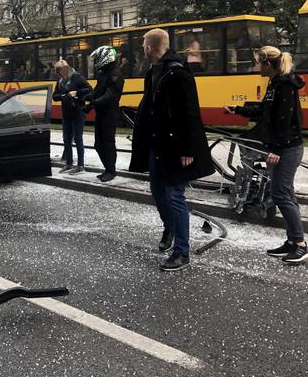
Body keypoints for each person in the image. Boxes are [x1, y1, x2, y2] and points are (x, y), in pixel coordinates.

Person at [129, 29, 215, 271]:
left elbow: (189, 113)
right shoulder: (153, 72)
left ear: (150, 48)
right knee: (158, 191)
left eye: (144, 46)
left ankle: (182, 251)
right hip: (157, 144)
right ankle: (171, 227)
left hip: (175, 147)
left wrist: (187, 149)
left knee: (175, 195)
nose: (143, 50)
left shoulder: (178, 73)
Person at [226, 46, 308, 265]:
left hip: (288, 148)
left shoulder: (284, 86)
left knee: (280, 193)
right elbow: (265, 111)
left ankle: (300, 244)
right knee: (284, 192)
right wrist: (238, 109)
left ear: (268, 64)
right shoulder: (275, 84)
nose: (256, 67)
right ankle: (292, 240)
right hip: (282, 146)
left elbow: (284, 120)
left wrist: (277, 150)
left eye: (258, 63)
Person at [86, 46, 124, 182]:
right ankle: (107, 168)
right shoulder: (103, 73)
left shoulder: (115, 75)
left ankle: (111, 170)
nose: (96, 61)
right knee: (98, 144)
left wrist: (93, 102)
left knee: (108, 142)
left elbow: (110, 96)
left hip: (110, 113)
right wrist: (87, 97)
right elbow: (97, 90)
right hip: (101, 112)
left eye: (98, 59)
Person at [52, 59, 92, 174]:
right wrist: (63, 95)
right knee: (66, 139)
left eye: (60, 71)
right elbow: (55, 96)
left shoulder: (77, 77)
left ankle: (80, 166)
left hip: (77, 112)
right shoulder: (60, 81)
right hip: (66, 113)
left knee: (78, 139)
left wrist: (76, 93)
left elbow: (89, 89)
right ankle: (69, 164)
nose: (59, 74)